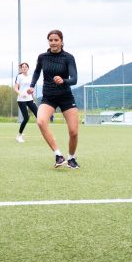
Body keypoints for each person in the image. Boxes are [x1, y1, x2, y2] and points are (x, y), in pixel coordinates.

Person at [28, 29, 80, 169]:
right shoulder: (42, 57)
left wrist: (63, 80)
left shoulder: (68, 57)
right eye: (50, 40)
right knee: (41, 121)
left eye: (56, 40)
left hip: (66, 97)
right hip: (49, 96)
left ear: (61, 42)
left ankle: (71, 158)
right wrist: (32, 86)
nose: (53, 42)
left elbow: (74, 79)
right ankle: (58, 155)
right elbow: (37, 71)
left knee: (74, 132)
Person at [14, 62, 38, 143]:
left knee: (39, 116)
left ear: (28, 68)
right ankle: (19, 136)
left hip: (30, 99)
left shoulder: (31, 77)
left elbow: (31, 88)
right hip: (21, 100)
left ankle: (47, 134)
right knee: (26, 118)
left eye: (25, 67)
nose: (24, 68)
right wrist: (21, 94)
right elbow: (16, 88)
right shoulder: (19, 76)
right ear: (21, 69)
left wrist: (32, 96)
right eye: (23, 67)